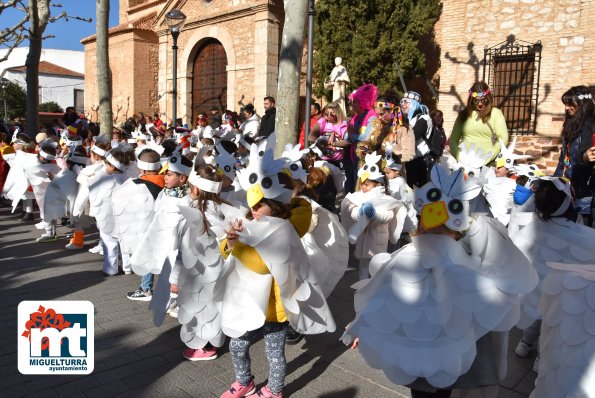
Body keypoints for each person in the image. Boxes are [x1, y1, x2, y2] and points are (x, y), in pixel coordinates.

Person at [343, 164, 538, 398]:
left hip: (428, 356)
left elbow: (379, 291)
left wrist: (360, 326)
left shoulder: (423, 256)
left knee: (429, 389)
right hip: (440, 358)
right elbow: (380, 290)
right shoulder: (462, 261)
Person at [340, 152, 403, 280]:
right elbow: (351, 209)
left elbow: (388, 215)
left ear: (378, 184)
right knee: (363, 265)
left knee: (377, 266)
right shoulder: (358, 197)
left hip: (378, 239)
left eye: (367, 184)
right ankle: (362, 287)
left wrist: (374, 214)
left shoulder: (385, 199)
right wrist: (359, 212)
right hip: (363, 241)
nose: (363, 186)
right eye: (362, 183)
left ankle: (375, 288)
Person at [125, 149, 166, 301]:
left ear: (141, 168)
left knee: (146, 256)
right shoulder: (168, 181)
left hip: (144, 227)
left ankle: (146, 288)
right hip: (163, 225)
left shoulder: (138, 184)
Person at [553, 85, 595, 224]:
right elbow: (563, 158)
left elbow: (587, 156)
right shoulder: (571, 123)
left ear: (582, 105)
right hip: (567, 183)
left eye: (570, 104)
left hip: (585, 189)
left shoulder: (592, 125)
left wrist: (585, 158)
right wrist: (554, 182)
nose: (566, 107)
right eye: (565, 104)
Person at [449, 82, 509, 166]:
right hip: (465, 164)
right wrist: (460, 157)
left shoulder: (496, 113)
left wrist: (488, 157)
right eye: (476, 100)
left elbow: (503, 138)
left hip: (487, 164)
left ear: (488, 98)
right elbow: (453, 140)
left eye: (483, 100)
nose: (480, 104)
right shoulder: (463, 115)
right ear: (471, 100)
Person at [344, 84, 378, 193]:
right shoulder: (355, 118)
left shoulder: (372, 116)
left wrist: (352, 135)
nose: (352, 105)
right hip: (355, 158)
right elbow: (347, 136)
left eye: (355, 102)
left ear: (363, 102)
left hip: (366, 159)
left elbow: (367, 137)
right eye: (352, 102)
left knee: (363, 187)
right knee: (355, 186)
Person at [400, 91, 434, 188]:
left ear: (414, 104)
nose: (403, 104)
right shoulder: (406, 121)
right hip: (410, 163)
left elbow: (413, 137)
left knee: (423, 196)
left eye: (406, 102)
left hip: (422, 163)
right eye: (402, 102)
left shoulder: (424, 118)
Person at [308, 101, 347, 169]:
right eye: (326, 114)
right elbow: (311, 138)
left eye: (332, 114)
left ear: (338, 113)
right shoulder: (323, 122)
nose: (329, 116)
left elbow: (348, 141)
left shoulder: (343, 125)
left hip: (338, 160)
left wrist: (333, 144)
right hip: (322, 159)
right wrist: (322, 142)